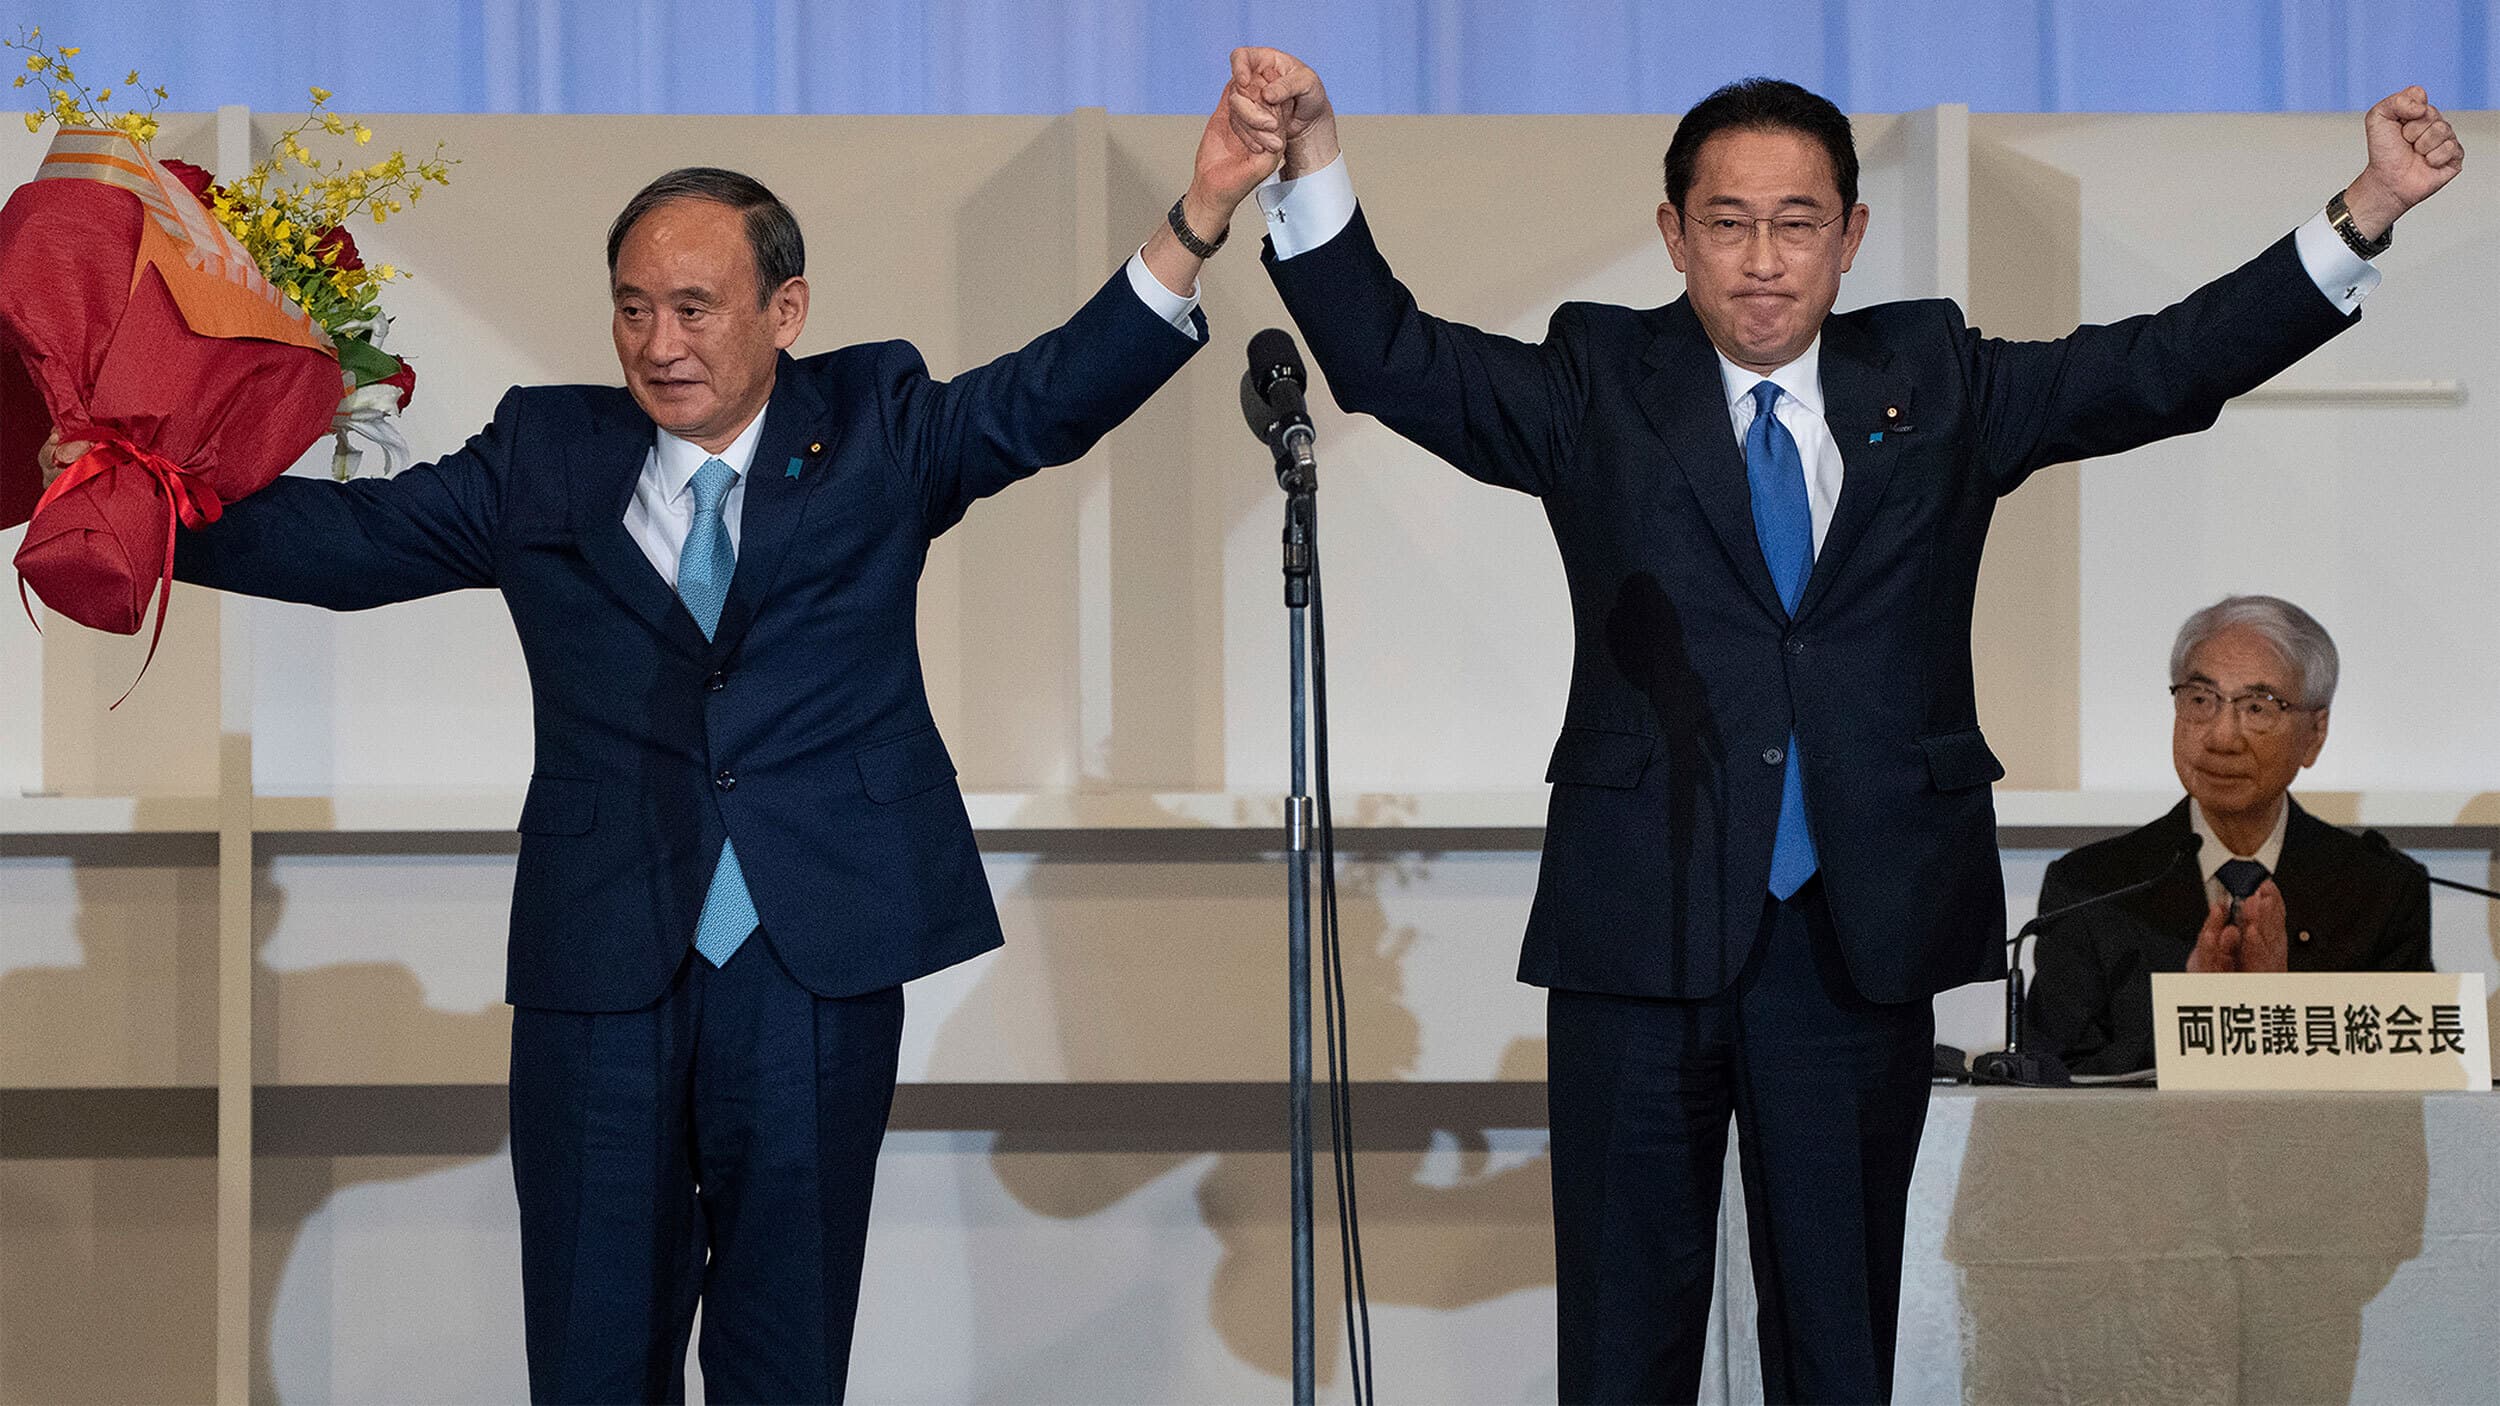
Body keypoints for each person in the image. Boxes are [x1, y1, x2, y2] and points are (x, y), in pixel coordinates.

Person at [1219, 48, 2463, 1404]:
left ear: (1851, 235)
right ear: (1674, 235)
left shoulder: (1935, 379)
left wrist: (2363, 212)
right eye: (1728, 223)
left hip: (1853, 942)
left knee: (1839, 1345)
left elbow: (2159, 367)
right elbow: (1391, 355)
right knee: (1624, 1349)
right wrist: (1310, 160)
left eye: (1797, 222)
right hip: (1644, 928)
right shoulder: (1599, 378)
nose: (1763, 260)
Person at [39, 97, 1278, 1404]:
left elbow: (1052, 394)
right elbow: (357, 544)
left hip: (811, 960)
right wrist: (132, 484)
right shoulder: (546, 450)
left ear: (784, 313)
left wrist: (1197, 218)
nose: (658, 340)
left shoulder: (878, 422)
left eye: (694, 307)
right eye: (633, 307)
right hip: (602, 966)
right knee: (590, 1354)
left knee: (786, 1356)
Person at [2023, 595, 2431, 1076]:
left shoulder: (2381, 889)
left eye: (2258, 708)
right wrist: (2196, 1021)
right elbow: (2054, 1083)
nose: (2221, 737)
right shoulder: (2089, 889)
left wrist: (2276, 1010)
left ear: (2315, 734)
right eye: (2200, 700)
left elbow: (2409, 1076)